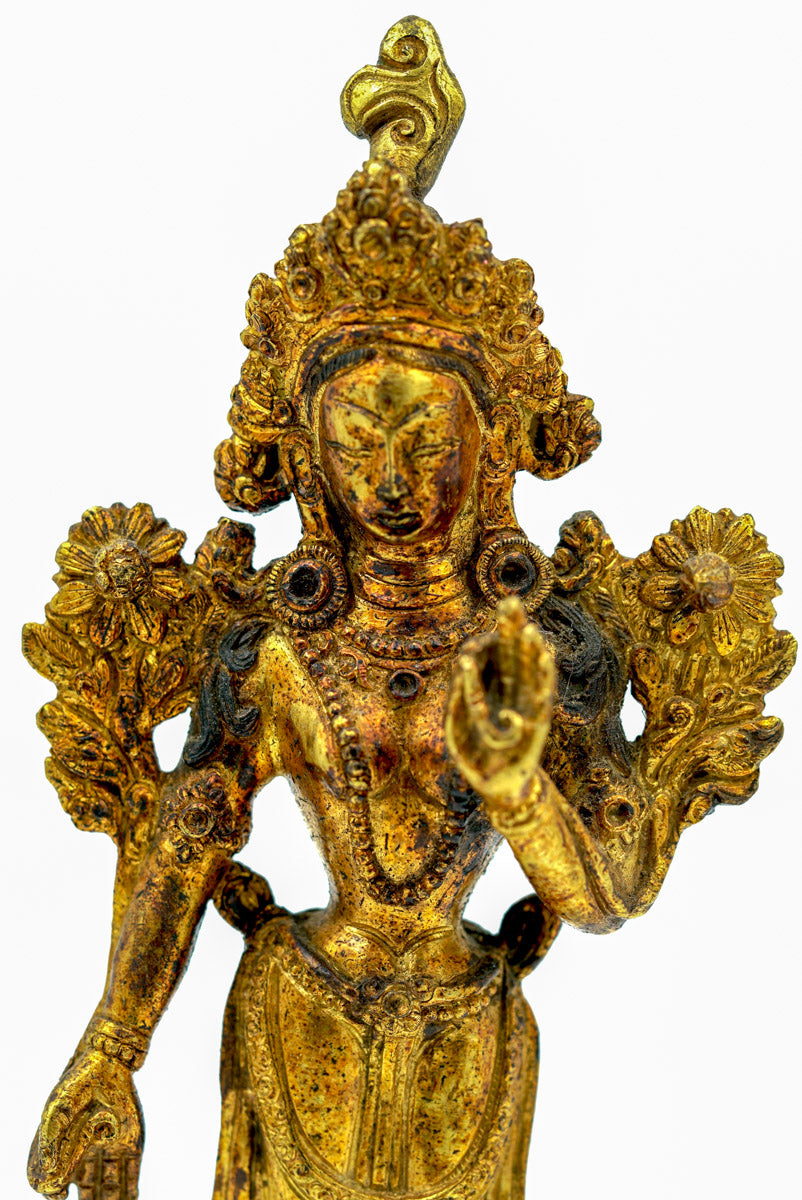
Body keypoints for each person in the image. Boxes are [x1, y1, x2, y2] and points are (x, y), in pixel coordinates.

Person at [25, 20, 793, 1200]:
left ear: (489, 451)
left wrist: (517, 783)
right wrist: (110, 1052)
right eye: (357, 441)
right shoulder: (279, 651)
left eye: (424, 441)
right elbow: (186, 831)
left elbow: (604, 895)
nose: (389, 480)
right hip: (295, 1016)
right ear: (307, 458)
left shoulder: (547, 648)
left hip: (467, 1040)